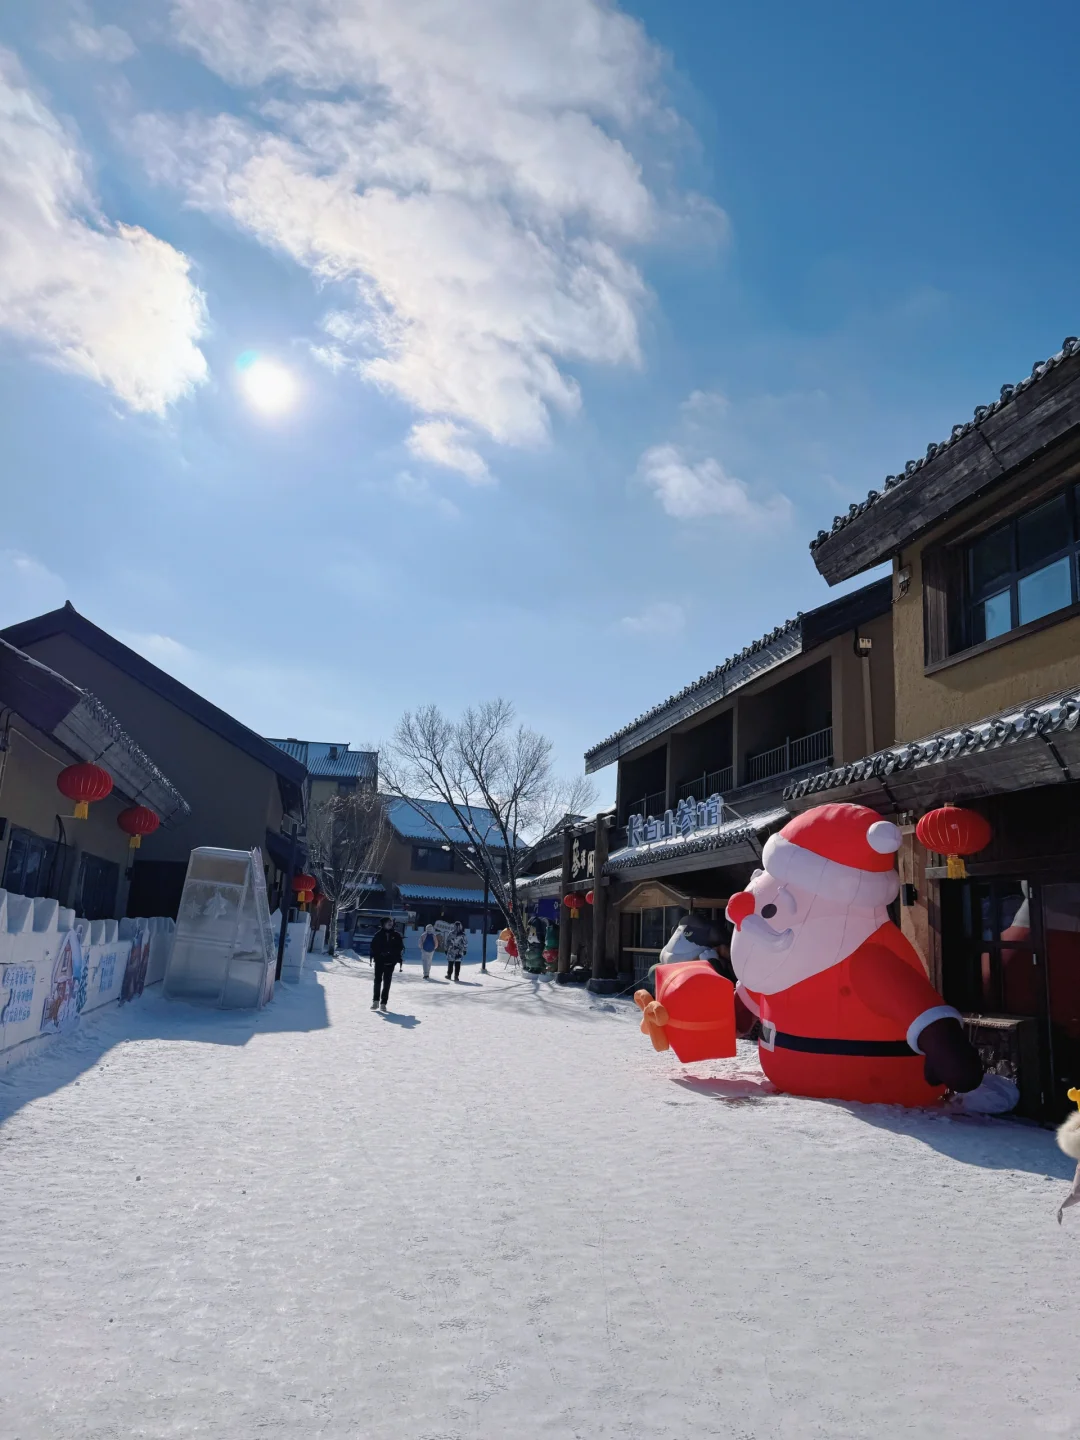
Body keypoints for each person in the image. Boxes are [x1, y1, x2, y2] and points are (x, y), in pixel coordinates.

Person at [369, 917, 404, 1011]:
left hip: (390, 961)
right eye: (388, 922)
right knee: (377, 981)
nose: (390, 924)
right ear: (383, 924)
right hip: (379, 960)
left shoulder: (396, 935)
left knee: (387, 982)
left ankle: (383, 1002)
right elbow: (373, 946)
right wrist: (380, 952)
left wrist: (392, 954)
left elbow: (400, 947)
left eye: (391, 922)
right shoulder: (378, 935)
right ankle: (375, 1001)